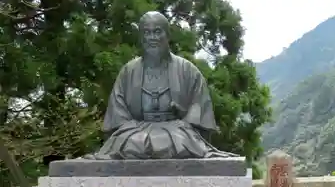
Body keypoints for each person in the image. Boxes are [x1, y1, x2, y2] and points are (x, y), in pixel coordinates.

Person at [85, 11, 237, 160]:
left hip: (177, 131)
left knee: (182, 143)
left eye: (158, 32)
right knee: (130, 144)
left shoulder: (188, 70)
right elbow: (118, 117)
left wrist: (182, 112)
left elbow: (199, 113)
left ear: (168, 35)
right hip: (136, 132)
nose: (152, 38)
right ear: (141, 37)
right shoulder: (128, 72)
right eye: (147, 32)